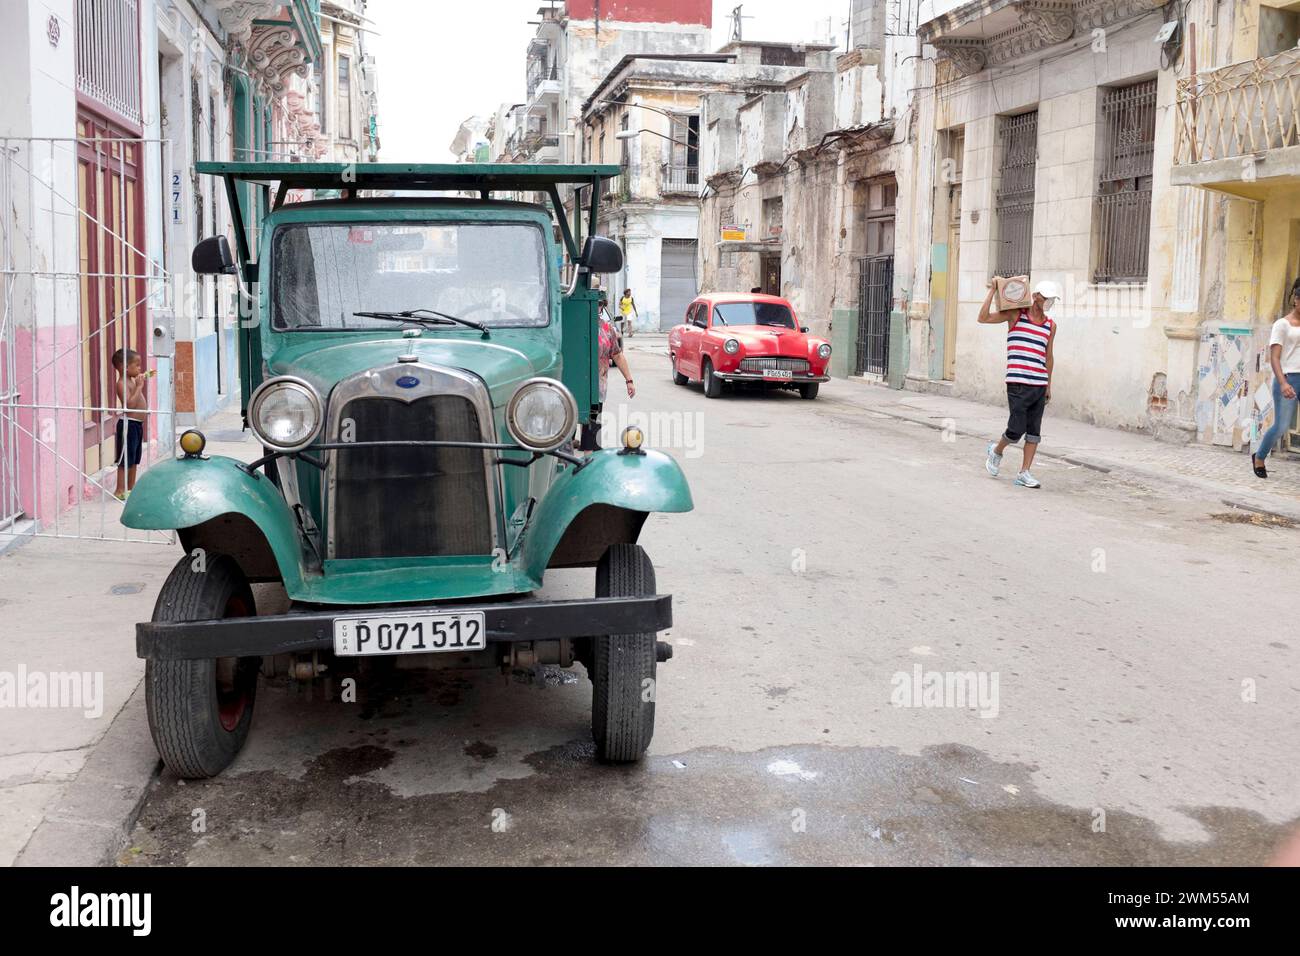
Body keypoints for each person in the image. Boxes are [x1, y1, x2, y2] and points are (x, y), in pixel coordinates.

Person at [979, 278, 1060, 489]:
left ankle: (1024, 472)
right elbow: (983, 317)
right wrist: (993, 291)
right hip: (1017, 382)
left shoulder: (1051, 326)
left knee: (1034, 431)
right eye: (1046, 299)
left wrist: (1049, 385)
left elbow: (1048, 357)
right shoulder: (1016, 316)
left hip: (1039, 384)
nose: (1049, 303)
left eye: (1052, 300)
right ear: (1035, 297)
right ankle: (996, 451)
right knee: (1016, 429)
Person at [1252, 279, 1300, 478]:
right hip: (1289, 378)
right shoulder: (1282, 324)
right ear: (1296, 300)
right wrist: (1282, 382)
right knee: (1281, 426)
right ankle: (1259, 456)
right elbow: (1274, 357)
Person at [579, 308, 636, 451]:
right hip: (574, 384)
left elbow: (617, 355)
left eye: (599, 303)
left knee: (593, 425)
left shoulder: (607, 328)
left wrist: (629, 380)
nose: (595, 307)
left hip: (596, 386)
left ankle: (590, 461)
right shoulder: (575, 325)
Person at [111, 347, 153, 499]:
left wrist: (138, 383)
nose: (140, 369)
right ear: (125, 367)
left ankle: (131, 488)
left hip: (136, 425)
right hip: (128, 425)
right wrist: (140, 387)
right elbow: (129, 405)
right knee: (125, 459)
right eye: (137, 365)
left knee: (134, 458)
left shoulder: (131, 381)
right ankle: (120, 489)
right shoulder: (122, 383)